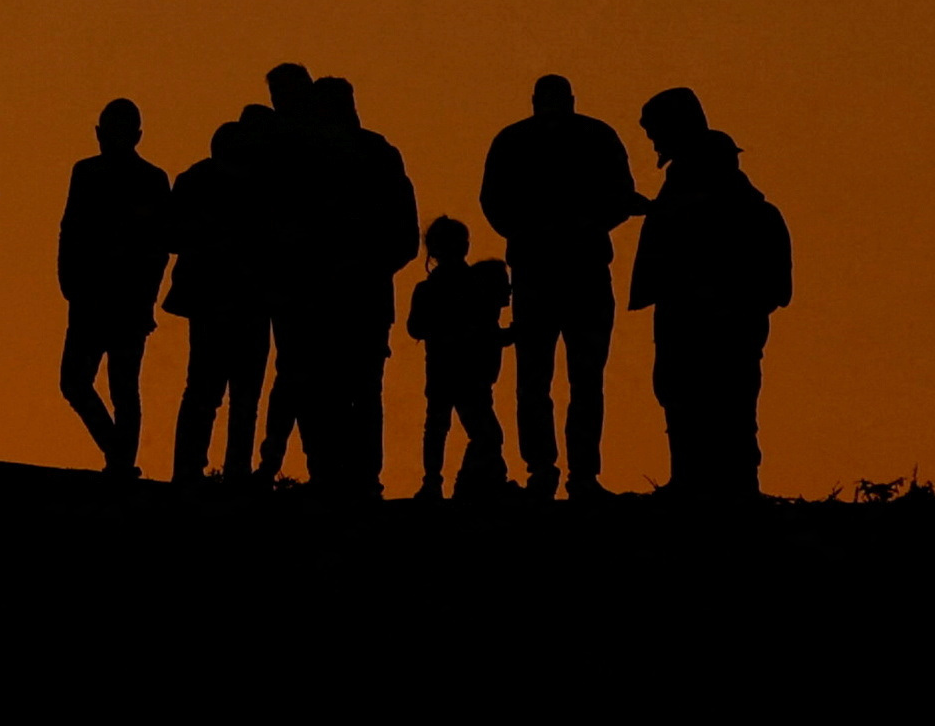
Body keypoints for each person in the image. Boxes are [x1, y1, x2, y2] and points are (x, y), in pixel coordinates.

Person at [480, 75, 647, 500]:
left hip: (543, 271)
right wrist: (584, 226)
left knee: (541, 378)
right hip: (581, 269)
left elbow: (493, 203)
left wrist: (526, 232)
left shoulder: (513, 140)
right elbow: (622, 196)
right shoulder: (596, 135)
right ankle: (576, 474)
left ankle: (548, 471)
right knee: (581, 379)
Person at [629, 90, 792, 500]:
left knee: (722, 395)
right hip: (701, 309)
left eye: (655, 132)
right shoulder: (697, 182)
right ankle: (702, 482)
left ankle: (728, 485)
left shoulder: (706, 189)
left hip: (713, 311)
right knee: (690, 393)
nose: (652, 142)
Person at [263, 77, 421, 496]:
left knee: (333, 390)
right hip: (351, 295)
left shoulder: (311, 158)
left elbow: (403, 235)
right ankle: (353, 477)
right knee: (355, 390)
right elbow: (405, 235)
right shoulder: (377, 155)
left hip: (330, 295)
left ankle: (336, 476)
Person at [53, 100, 171, 477]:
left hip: (109, 299)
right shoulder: (142, 178)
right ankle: (119, 456)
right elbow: (71, 231)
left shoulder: (102, 174)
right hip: (104, 298)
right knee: (108, 386)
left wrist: (71, 283)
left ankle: (119, 458)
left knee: (106, 385)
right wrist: (70, 284)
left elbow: (157, 247)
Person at [164, 113, 269, 484]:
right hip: (246, 301)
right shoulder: (262, 186)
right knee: (239, 396)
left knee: (206, 393)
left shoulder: (195, 180)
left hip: (217, 301)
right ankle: (230, 472)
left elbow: (171, 237)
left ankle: (190, 471)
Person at [409, 217, 510, 499]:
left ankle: (440, 482)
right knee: (483, 433)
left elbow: (414, 327)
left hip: (446, 372)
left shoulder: (429, 288)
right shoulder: (476, 286)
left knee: (440, 428)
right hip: (469, 376)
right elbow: (484, 330)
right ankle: (465, 483)